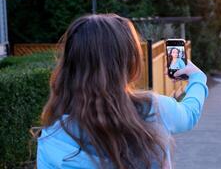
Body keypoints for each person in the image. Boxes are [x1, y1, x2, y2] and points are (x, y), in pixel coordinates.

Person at [36, 14, 208, 169]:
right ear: (129, 62)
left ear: (69, 65)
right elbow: (190, 113)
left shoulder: (52, 136)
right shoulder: (154, 108)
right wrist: (197, 78)